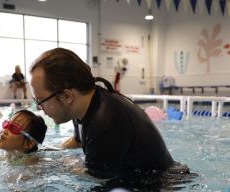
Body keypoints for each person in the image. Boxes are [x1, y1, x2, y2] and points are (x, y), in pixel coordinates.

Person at [29, 48, 174, 178]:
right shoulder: (83, 106)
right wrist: (50, 153)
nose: (39, 108)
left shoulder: (106, 121)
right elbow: (78, 140)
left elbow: (95, 178)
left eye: (41, 101)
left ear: (67, 96)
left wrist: (50, 166)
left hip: (159, 191)